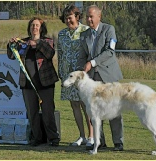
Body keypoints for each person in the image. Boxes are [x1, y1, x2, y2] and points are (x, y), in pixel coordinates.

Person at [77, 5, 124, 151]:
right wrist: (80, 72)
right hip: (92, 79)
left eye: (91, 16)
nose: (89, 19)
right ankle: (99, 141)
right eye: (87, 16)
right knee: (95, 110)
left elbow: (110, 51)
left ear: (99, 16)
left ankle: (118, 142)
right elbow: (82, 55)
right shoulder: (84, 34)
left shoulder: (109, 30)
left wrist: (92, 62)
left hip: (109, 76)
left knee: (114, 109)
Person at [7, 17, 60, 146]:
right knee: (32, 113)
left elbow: (50, 53)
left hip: (45, 83)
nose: (34, 27)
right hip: (28, 84)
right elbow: (11, 56)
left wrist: (37, 43)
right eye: (32, 25)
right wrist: (11, 45)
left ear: (41, 28)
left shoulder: (47, 41)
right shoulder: (23, 42)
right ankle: (37, 137)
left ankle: (53, 138)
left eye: (37, 25)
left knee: (48, 112)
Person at [57, 4, 94, 149]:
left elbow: (90, 53)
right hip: (67, 75)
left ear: (77, 16)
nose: (67, 21)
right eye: (65, 18)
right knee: (74, 105)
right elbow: (60, 54)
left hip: (82, 76)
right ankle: (82, 136)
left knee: (86, 105)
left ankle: (91, 136)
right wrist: (61, 72)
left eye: (70, 17)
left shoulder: (86, 31)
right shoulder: (61, 34)